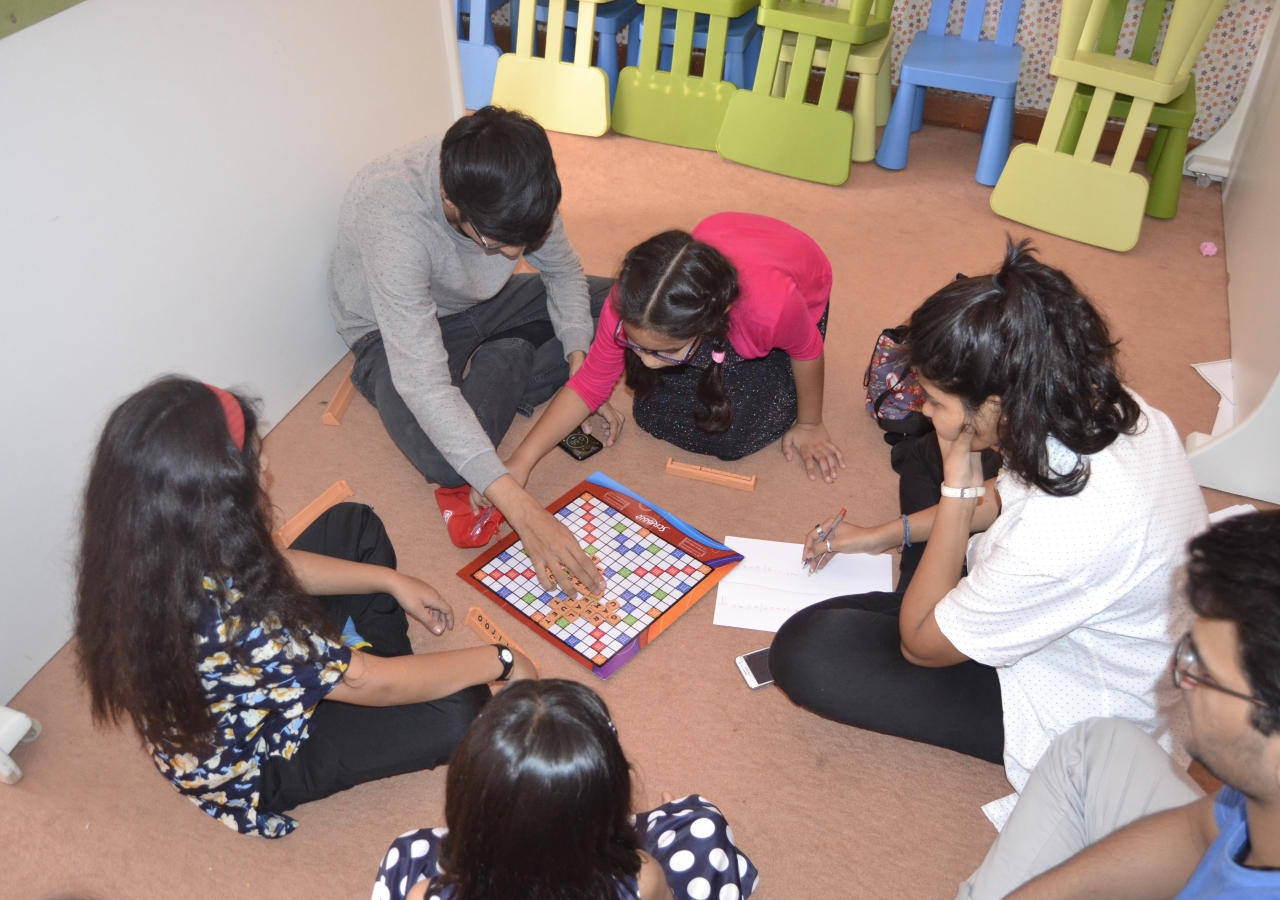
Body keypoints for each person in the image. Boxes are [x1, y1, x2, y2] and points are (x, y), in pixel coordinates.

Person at [769, 240, 1208, 827]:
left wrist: (957, 484)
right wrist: (881, 535)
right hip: (1054, 587)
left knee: (810, 649)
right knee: (925, 455)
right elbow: (1006, 500)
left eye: (937, 399)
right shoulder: (1106, 404)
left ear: (1000, 406)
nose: (922, 407)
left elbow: (919, 648)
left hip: (1079, 700)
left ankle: (931, 598)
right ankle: (934, 591)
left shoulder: (1071, 534)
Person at [73, 378, 537, 838]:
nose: (267, 461)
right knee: (462, 708)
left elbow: (274, 565)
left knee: (355, 527)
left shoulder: (150, 537)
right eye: (254, 457)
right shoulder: (239, 624)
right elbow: (370, 683)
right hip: (261, 759)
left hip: (249, 676)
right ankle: (371, 677)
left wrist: (391, 581)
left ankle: (365, 669)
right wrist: (503, 660)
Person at [329, 105, 611, 593]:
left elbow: (564, 272)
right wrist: (520, 507)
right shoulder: (393, 216)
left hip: (481, 305)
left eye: (526, 240)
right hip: (386, 331)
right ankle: (514, 356)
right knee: (443, 460)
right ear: (448, 196)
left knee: (620, 306)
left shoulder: (519, 178)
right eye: (498, 241)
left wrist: (582, 370)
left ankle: (509, 356)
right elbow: (423, 381)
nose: (515, 255)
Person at [957, 510, 1280, 900]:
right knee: (1101, 745)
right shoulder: (1263, 801)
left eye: (1203, 671)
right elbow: (1200, 832)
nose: (1176, 673)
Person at [469, 212, 844, 513]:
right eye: (636, 345)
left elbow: (808, 350)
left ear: (711, 324)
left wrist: (810, 423)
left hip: (800, 282)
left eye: (662, 351)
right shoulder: (632, 301)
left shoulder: (769, 311)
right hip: (727, 238)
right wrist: (521, 461)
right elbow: (588, 384)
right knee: (652, 414)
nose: (646, 363)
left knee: (732, 438)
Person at [371, 679, 759, 900]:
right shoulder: (642, 878)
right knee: (700, 825)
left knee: (410, 849)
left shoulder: (424, 895)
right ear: (608, 801)